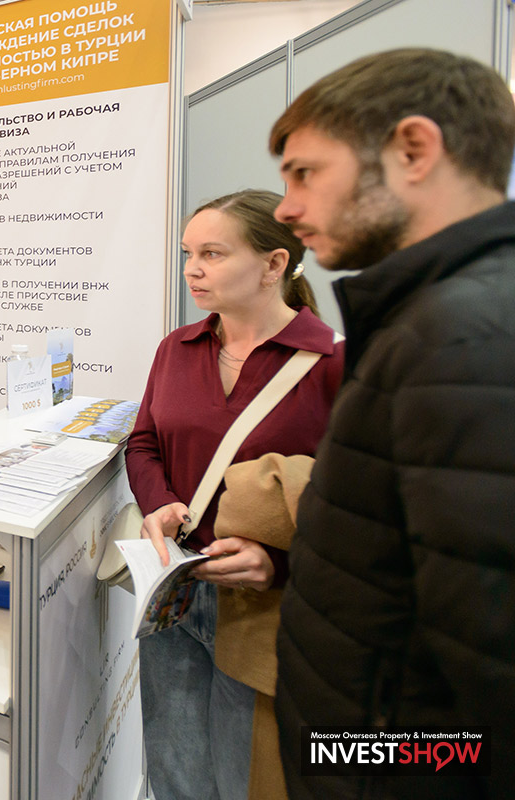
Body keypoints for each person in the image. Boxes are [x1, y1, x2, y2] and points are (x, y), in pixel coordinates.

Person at [268, 48, 515, 799]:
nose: (285, 207)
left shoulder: (464, 337)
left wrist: (363, 768)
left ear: (413, 150)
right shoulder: (434, 318)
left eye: (305, 173)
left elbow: (493, 682)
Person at [125, 189, 344, 800]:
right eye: (188, 253)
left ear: (274, 264)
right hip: (175, 591)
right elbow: (143, 442)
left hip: (266, 610)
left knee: (246, 780)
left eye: (213, 254)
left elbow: (364, 512)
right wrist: (158, 503)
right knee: (173, 772)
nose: (192, 269)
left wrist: (279, 563)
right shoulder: (177, 348)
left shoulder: (332, 364)